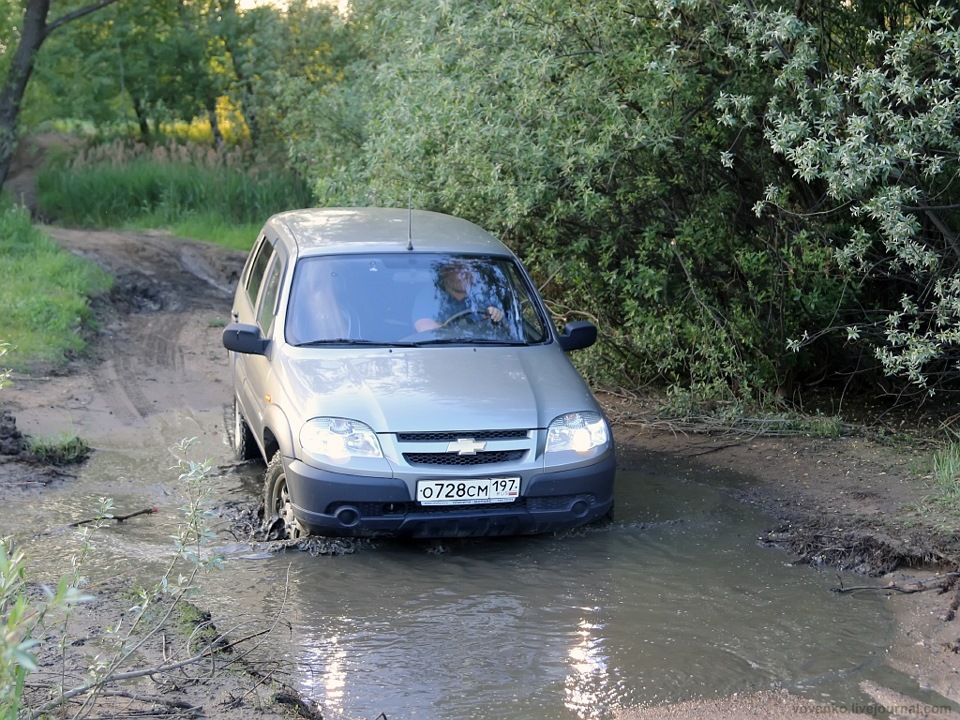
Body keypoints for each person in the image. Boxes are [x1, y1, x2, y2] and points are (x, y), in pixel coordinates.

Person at [413, 261, 504, 332]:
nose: (466, 273)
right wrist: (458, 333)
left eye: (469, 269)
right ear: (445, 272)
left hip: (484, 348)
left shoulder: (484, 295)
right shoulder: (430, 295)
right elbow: (423, 326)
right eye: (459, 269)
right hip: (441, 350)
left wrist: (496, 315)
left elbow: (506, 328)